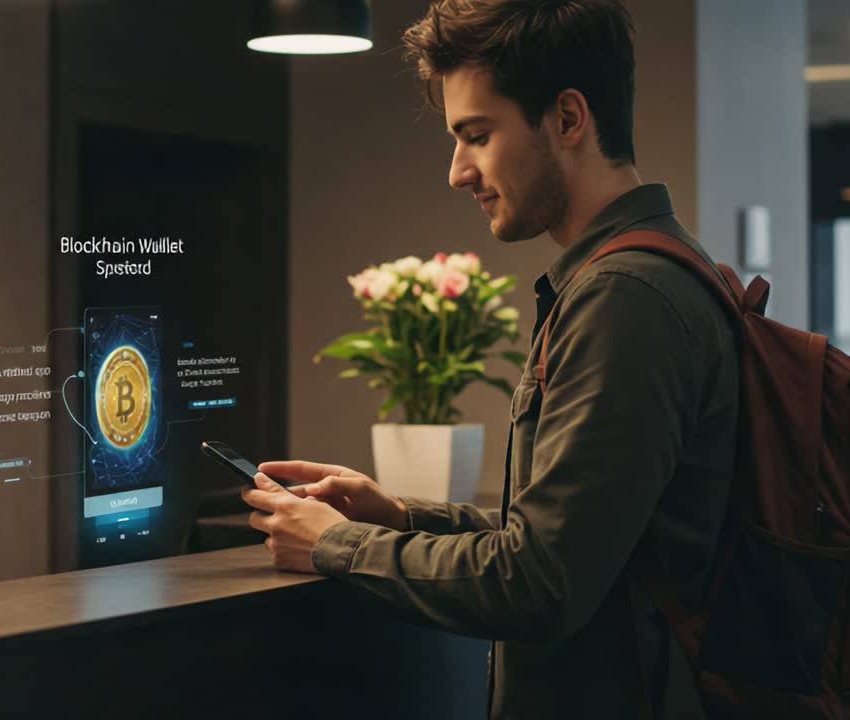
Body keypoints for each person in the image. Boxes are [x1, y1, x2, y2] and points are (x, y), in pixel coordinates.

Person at [240, 1, 738, 717]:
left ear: (568, 119)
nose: (456, 171)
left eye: (476, 135)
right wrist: (399, 517)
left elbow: (541, 583)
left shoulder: (625, 296)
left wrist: (341, 545)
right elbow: (571, 547)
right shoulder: (647, 274)